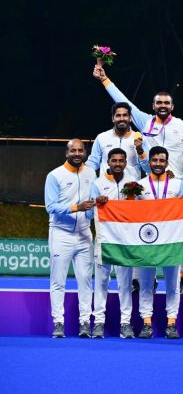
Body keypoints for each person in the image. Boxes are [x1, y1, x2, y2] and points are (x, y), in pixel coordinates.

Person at [93, 65, 183, 295]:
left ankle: (182, 277)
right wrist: (105, 80)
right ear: (153, 106)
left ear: (172, 106)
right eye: (158, 103)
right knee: (145, 233)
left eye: (166, 103)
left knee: (181, 231)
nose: (162, 106)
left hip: (175, 186)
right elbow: (125, 103)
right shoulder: (145, 121)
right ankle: (141, 279)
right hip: (149, 184)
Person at [44, 139, 96, 338]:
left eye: (80, 150)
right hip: (61, 234)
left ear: (85, 152)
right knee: (58, 281)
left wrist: (92, 213)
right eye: (73, 150)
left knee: (85, 281)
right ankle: (58, 322)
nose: (77, 153)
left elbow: (90, 205)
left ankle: (85, 322)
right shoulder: (55, 175)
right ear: (66, 153)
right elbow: (51, 207)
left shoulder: (91, 173)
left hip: (84, 235)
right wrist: (77, 207)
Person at [134, 146, 183, 339]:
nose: (157, 164)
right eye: (154, 160)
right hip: (148, 241)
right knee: (146, 284)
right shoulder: (139, 185)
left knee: (173, 284)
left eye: (161, 161)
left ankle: (171, 323)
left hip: (171, 241)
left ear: (167, 162)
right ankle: (146, 323)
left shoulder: (177, 185)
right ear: (149, 162)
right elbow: (133, 214)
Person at [90, 148, 138, 339]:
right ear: (107, 163)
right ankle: (99, 322)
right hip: (103, 241)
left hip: (125, 243)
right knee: (101, 282)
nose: (117, 164)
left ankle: (125, 323)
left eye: (121, 160)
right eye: (114, 160)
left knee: (124, 284)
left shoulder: (133, 183)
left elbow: (139, 211)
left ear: (126, 163)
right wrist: (96, 202)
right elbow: (89, 210)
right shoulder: (98, 183)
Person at [87, 102, 148, 179]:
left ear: (130, 118)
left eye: (125, 115)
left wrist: (140, 150)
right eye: (118, 115)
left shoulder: (140, 140)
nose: (121, 119)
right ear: (113, 118)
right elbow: (93, 163)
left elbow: (148, 169)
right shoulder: (101, 138)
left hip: (131, 189)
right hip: (106, 188)